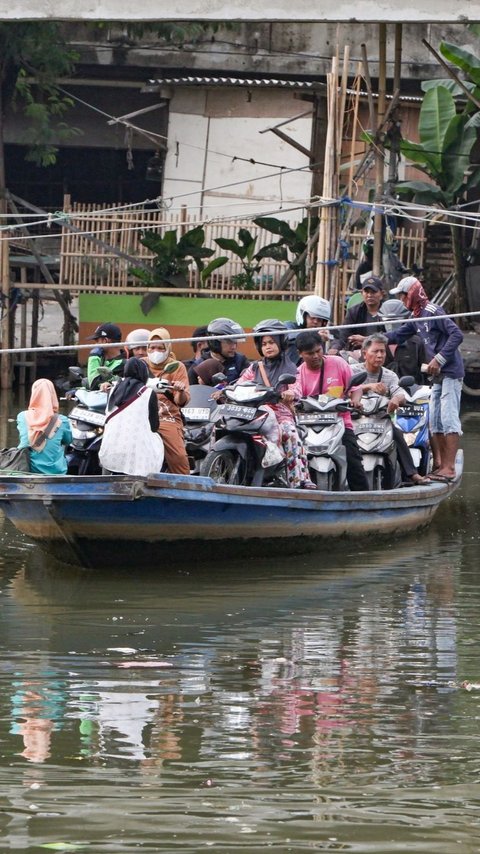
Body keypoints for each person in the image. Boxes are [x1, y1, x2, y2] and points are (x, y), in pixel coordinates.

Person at [387, 276, 463, 481]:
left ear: (412, 294)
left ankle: (449, 468)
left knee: (448, 419)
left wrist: (438, 359)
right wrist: (370, 339)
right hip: (437, 376)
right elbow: (398, 335)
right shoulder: (416, 317)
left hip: (450, 373)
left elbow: (457, 335)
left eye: (403, 296)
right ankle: (440, 465)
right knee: (435, 421)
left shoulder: (433, 312)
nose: (402, 301)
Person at [238, 319, 315, 490]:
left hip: (280, 414)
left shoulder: (290, 367)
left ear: (281, 342)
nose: (268, 346)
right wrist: (225, 390)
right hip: (257, 413)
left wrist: (290, 393)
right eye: (264, 343)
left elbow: (297, 387)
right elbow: (240, 383)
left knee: (289, 433)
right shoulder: (255, 368)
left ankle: (298, 480)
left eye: (272, 342)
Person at [292, 331, 369, 491]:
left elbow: (356, 388)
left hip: (340, 424)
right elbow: (294, 396)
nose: (315, 356)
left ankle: (365, 502)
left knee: (354, 461)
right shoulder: (298, 374)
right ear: (300, 354)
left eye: (318, 351)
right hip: (308, 428)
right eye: (309, 353)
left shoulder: (338, 363)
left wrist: (355, 400)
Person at [351, 333, 428, 485]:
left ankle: (411, 474)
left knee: (397, 434)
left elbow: (400, 394)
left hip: (380, 419)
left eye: (383, 351)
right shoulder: (352, 371)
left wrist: (396, 399)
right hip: (354, 419)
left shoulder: (390, 375)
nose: (380, 355)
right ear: (364, 353)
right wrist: (368, 387)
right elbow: (342, 390)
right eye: (375, 351)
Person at [99, 357, 163, 477]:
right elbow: (154, 427)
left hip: (110, 452)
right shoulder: (148, 393)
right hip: (135, 455)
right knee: (157, 441)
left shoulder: (112, 391)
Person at [144, 327, 191, 475]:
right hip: (140, 416)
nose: (155, 351)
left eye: (160, 348)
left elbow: (180, 401)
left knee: (178, 457)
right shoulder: (140, 364)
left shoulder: (177, 367)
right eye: (152, 347)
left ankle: (185, 487)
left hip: (166, 417)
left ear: (168, 348)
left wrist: (180, 390)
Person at [17, 378, 72, 475]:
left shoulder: (22, 416)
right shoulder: (62, 420)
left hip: (28, 470)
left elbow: (24, 442)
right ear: (52, 395)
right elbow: (68, 441)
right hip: (56, 472)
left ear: (34, 394)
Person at [332, 275, 387, 353]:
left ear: (381, 294)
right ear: (362, 293)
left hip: (382, 353)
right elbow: (343, 334)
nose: (369, 295)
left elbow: (391, 335)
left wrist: (366, 340)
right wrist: (335, 348)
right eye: (366, 292)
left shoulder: (388, 311)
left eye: (373, 292)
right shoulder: (354, 311)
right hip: (358, 353)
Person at [188, 317, 249, 386]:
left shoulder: (241, 361)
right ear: (215, 342)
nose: (234, 347)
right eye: (229, 342)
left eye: (235, 342)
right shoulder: (198, 366)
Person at [378, 299, 427, 383]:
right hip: (381, 391)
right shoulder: (374, 343)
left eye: (396, 321)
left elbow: (425, 370)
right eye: (388, 322)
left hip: (412, 392)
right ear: (381, 322)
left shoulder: (416, 343)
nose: (392, 326)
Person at [86, 323, 125, 389]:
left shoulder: (123, 364)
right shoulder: (102, 360)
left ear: (105, 341)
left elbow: (94, 385)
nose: (96, 344)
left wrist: (93, 357)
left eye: (97, 341)